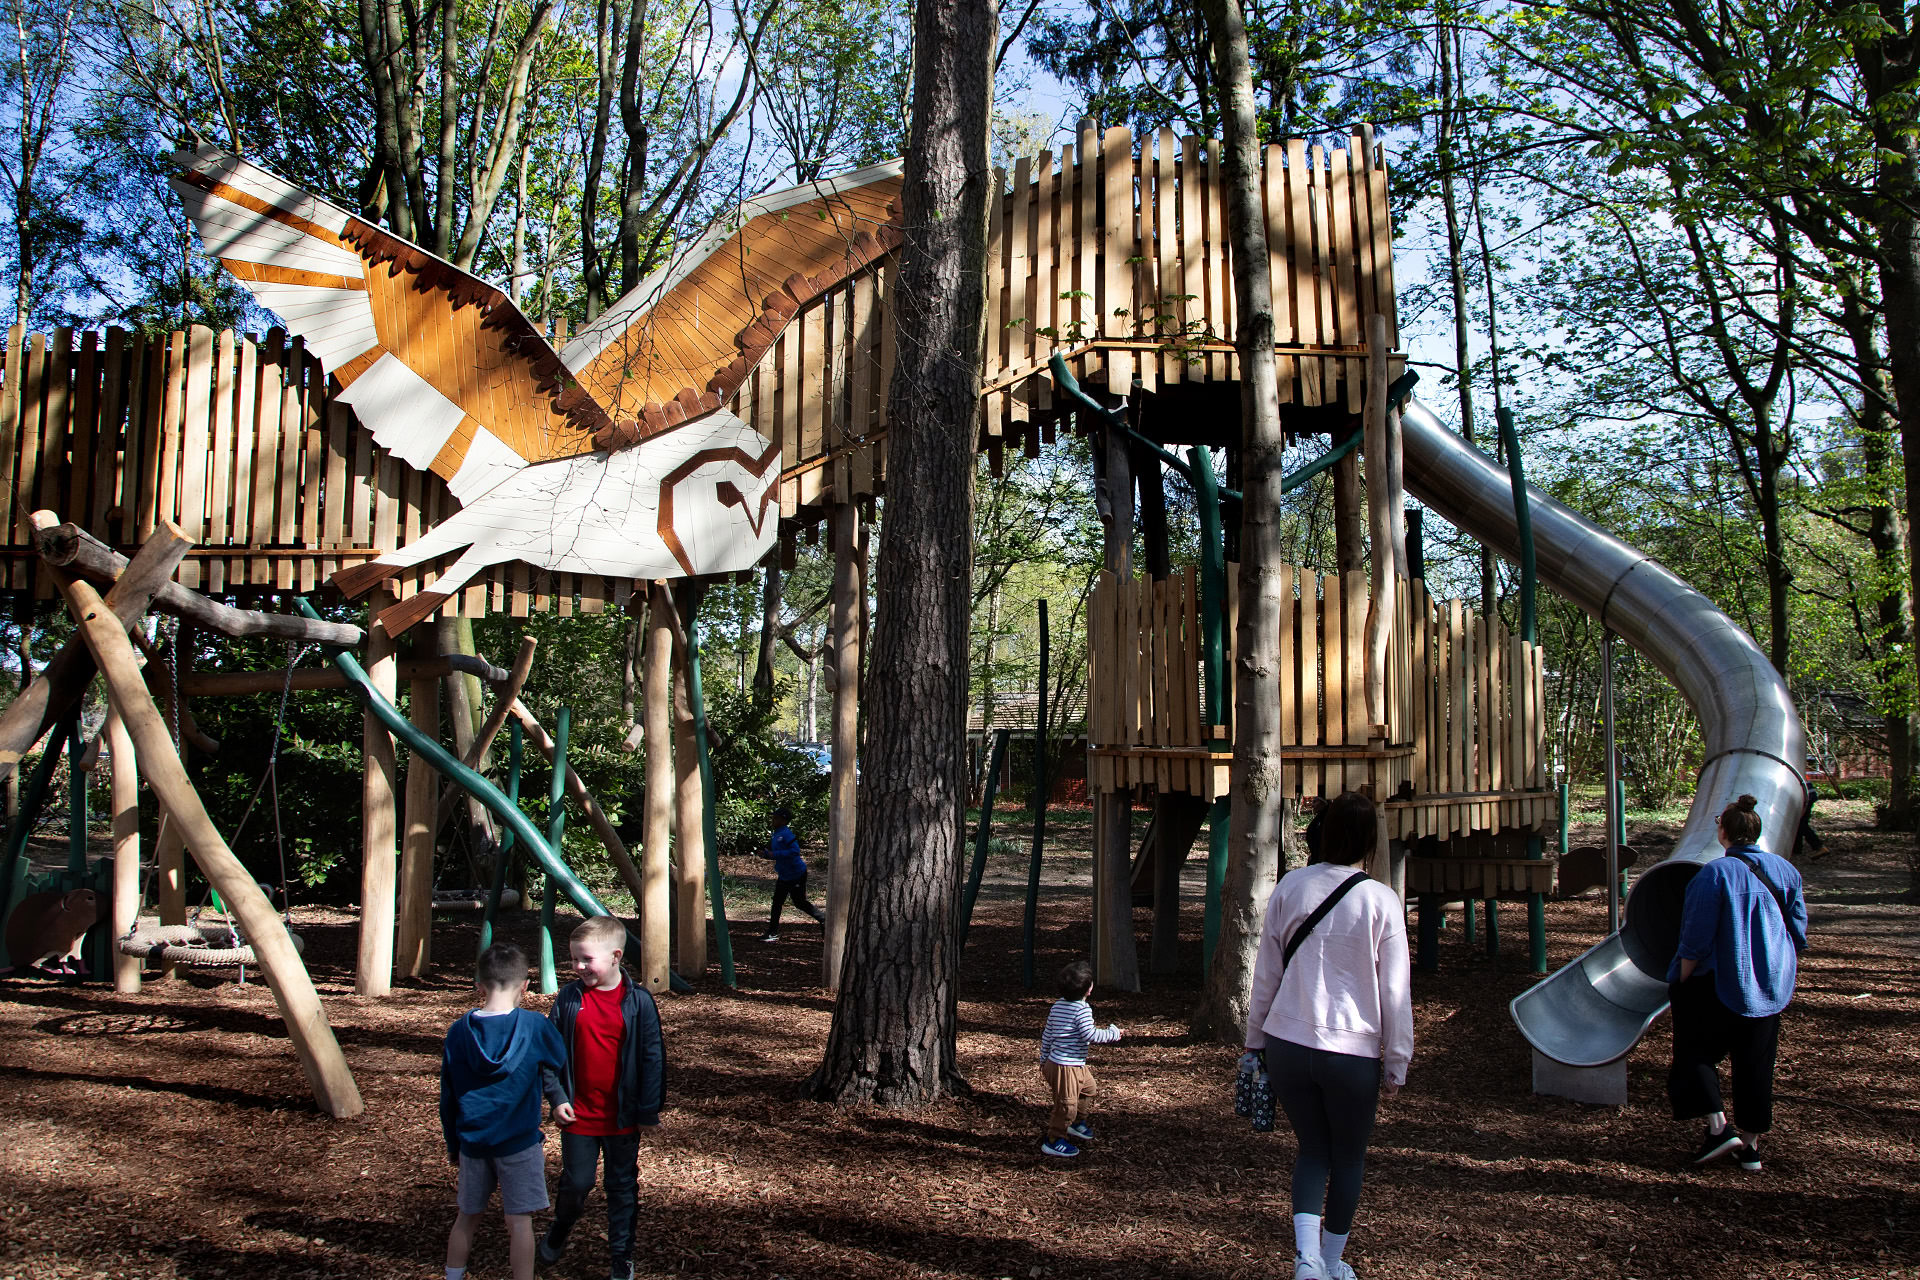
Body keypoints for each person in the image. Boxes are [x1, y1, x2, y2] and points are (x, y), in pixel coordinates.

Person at [1243, 791, 1412, 1280]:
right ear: (1369, 841)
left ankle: (1306, 1260)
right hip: (1351, 1052)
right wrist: (1397, 1058)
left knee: (1312, 1150)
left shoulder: (1291, 887)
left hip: (1287, 1044)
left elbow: (1266, 975)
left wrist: (1255, 1041)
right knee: (1348, 1158)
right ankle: (1333, 1262)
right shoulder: (1380, 899)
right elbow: (1394, 990)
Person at [1666, 794, 1808, 1172]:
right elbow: (1798, 931)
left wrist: (1680, 979)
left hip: (1721, 981)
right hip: (1770, 985)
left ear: (1724, 832)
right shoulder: (1785, 870)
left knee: (1694, 1053)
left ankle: (1718, 1127)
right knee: (1756, 1063)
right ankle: (1751, 1148)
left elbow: (1694, 938)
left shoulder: (1714, 874)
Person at [539, 916, 666, 1280]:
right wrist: (557, 1096)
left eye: (587, 960)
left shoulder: (638, 1002)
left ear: (615, 956)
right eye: (575, 959)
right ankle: (561, 1227)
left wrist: (647, 1109)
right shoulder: (569, 998)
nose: (579, 967)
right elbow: (549, 1054)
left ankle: (622, 1254)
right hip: (578, 1115)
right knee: (576, 1183)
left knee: (621, 1186)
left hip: (621, 1116)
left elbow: (652, 1057)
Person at [439, 943, 572, 1280]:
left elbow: (448, 1097)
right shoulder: (534, 1026)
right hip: (520, 1143)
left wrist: (453, 1145)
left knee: (466, 1216)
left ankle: (452, 1275)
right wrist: (559, 1099)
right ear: (525, 986)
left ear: (479, 986)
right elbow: (556, 1062)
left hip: (474, 1142)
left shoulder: (458, 1032)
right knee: (520, 1222)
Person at [1038, 958, 1123, 1158]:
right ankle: (1054, 1139)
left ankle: (1077, 1123)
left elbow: (1048, 1034)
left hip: (1068, 1064)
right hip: (1064, 1066)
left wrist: (1043, 1059)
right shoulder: (1082, 1010)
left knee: (1089, 1089)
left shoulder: (1058, 1005)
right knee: (1066, 1105)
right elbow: (1090, 1035)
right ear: (1088, 990)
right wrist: (1113, 1033)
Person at [757, 805, 824, 941]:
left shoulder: (787, 834)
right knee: (777, 902)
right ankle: (772, 932)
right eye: (773, 817)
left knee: (799, 902)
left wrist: (773, 854)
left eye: (776, 818)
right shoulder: (776, 833)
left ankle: (824, 919)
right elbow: (774, 852)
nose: (773, 820)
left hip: (796, 874)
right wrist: (765, 854)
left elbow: (795, 851)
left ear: (783, 820)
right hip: (785, 875)